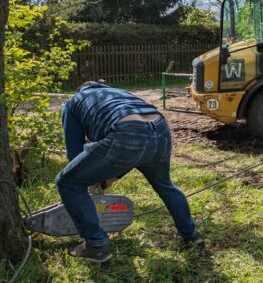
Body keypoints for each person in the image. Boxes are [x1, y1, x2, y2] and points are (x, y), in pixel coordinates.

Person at [55, 82, 202, 263]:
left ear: (81, 90)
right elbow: (136, 147)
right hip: (160, 129)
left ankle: (96, 245)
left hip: (127, 133)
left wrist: (88, 178)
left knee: (67, 182)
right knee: (165, 184)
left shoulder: (74, 102)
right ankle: (192, 236)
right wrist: (113, 175)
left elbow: (74, 152)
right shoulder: (117, 93)